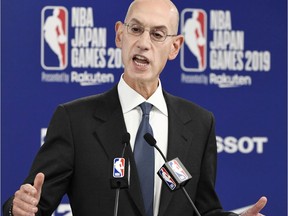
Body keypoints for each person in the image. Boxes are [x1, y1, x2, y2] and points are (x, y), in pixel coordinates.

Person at [3, 0, 267, 215]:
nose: (143, 42)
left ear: (175, 47)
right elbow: (34, 204)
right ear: (120, 34)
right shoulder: (74, 120)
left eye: (157, 34)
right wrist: (18, 209)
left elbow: (203, 208)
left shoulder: (199, 123)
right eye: (136, 29)